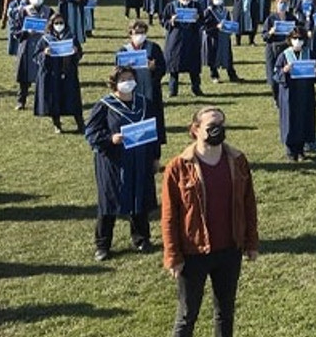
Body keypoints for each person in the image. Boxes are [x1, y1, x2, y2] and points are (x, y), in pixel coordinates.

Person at [162, 107, 260, 337]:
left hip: (229, 250)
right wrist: (172, 256)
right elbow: (169, 216)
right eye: (211, 127)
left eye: (221, 126)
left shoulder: (238, 160)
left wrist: (251, 242)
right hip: (193, 253)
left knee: (225, 313)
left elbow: (249, 204)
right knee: (187, 315)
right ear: (195, 130)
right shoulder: (178, 167)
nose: (217, 130)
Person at [85, 67, 159, 261]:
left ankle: (141, 238)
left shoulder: (144, 103)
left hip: (140, 158)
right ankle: (103, 245)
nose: (128, 82)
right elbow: (91, 133)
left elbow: (155, 132)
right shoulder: (105, 106)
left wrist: (155, 157)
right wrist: (110, 138)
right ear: (114, 83)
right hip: (114, 162)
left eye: (131, 78)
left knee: (139, 197)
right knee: (110, 202)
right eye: (123, 79)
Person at [274, 28, 316, 162]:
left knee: (304, 119)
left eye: (300, 39)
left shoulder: (309, 53)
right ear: (290, 39)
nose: (298, 41)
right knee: (290, 120)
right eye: (295, 38)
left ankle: (300, 150)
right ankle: (290, 150)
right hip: (289, 93)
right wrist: (284, 70)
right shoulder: (284, 55)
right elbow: (276, 74)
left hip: (305, 92)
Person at [119, 21, 168, 144]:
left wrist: (154, 69)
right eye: (137, 32)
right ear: (131, 33)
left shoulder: (154, 48)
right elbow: (117, 72)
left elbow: (163, 67)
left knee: (152, 119)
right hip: (132, 90)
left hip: (150, 89)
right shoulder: (124, 50)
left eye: (142, 32)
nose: (140, 35)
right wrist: (126, 69)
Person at [35, 16, 85, 133]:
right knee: (54, 100)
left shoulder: (71, 38)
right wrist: (44, 53)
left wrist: (76, 51)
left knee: (73, 100)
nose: (59, 25)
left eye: (61, 22)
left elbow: (79, 54)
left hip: (68, 73)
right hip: (52, 75)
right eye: (56, 23)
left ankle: (80, 124)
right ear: (51, 24)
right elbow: (36, 56)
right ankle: (57, 124)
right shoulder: (45, 39)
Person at [10, 0, 52, 109]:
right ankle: (21, 101)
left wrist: (48, 31)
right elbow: (15, 30)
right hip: (27, 46)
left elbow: (56, 26)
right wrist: (26, 32)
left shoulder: (49, 11)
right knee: (24, 77)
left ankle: (46, 101)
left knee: (45, 75)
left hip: (44, 46)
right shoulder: (23, 11)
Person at [162, 0, 205, 98]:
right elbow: (163, 21)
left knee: (193, 66)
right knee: (174, 66)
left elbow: (202, 21)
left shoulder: (196, 6)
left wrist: (197, 19)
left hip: (192, 38)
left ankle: (196, 88)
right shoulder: (171, 6)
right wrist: (171, 21)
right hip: (175, 38)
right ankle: (173, 90)